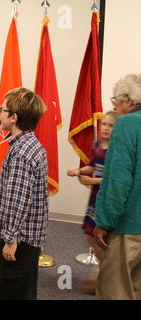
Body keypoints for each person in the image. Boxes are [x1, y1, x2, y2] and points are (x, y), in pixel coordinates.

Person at [0, 87, 48, 300]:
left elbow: (19, 200)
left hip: (19, 241)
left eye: (2, 110)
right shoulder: (30, 144)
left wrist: (10, 238)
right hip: (26, 239)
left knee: (14, 292)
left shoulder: (21, 153)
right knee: (24, 290)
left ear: (13, 117)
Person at [94, 73, 141, 300]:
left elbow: (118, 181)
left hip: (129, 225)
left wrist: (104, 221)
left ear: (129, 99)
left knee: (115, 290)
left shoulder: (127, 124)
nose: (115, 107)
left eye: (116, 101)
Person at [67, 111, 119, 294]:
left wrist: (92, 181)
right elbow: (93, 165)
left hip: (106, 195)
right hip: (94, 197)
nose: (106, 128)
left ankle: (103, 273)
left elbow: (113, 177)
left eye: (111, 125)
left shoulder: (116, 148)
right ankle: (101, 268)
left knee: (102, 236)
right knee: (89, 233)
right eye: (104, 124)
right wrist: (80, 171)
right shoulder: (97, 144)